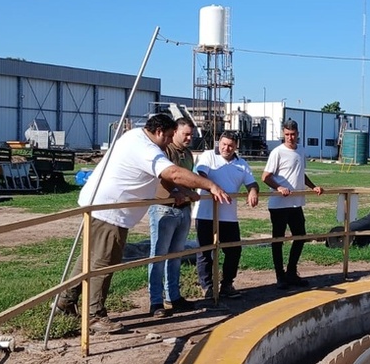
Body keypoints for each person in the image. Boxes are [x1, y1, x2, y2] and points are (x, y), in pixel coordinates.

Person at [56, 114, 230, 333]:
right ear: (158, 132)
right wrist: (210, 186)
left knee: (88, 259)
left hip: (100, 205)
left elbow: (160, 178)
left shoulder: (134, 137)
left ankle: (66, 301)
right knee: (103, 262)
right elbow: (173, 173)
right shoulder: (146, 148)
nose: (169, 141)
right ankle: (94, 316)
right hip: (110, 210)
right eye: (168, 136)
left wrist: (179, 191)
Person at [194, 131, 259, 299]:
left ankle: (227, 284)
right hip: (206, 213)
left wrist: (252, 191)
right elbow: (200, 174)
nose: (226, 148)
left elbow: (252, 182)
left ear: (236, 146)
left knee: (233, 250)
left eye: (230, 145)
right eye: (223, 144)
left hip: (229, 216)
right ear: (219, 143)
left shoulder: (241, 163)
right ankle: (207, 287)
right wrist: (213, 188)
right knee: (205, 251)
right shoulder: (208, 156)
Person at [147, 117, 200, 318]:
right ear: (175, 132)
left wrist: (187, 193)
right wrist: (179, 190)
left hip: (184, 208)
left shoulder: (187, 154)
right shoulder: (164, 151)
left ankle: (174, 296)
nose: (189, 138)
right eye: (185, 134)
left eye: (191, 135)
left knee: (176, 255)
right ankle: (155, 301)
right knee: (159, 255)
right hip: (164, 208)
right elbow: (165, 177)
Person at [261, 120, 323, 290]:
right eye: (287, 134)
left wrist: (313, 186)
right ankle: (279, 276)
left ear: (298, 133)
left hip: (296, 203)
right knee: (278, 240)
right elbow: (265, 176)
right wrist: (279, 187)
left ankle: (291, 272)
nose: (290, 137)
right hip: (279, 204)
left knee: (300, 236)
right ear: (283, 134)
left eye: (293, 134)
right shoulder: (277, 152)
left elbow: (300, 173)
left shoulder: (301, 150)